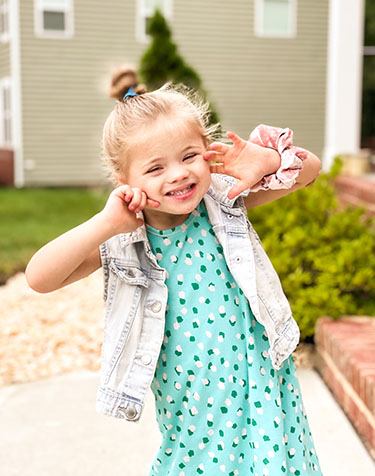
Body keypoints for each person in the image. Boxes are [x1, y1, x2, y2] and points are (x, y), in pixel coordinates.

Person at [26, 67, 323, 475]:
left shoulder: (223, 198)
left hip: (264, 376)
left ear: (208, 152)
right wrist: (105, 223)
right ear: (123, 181)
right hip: (195, 399)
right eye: (155, 168)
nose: (179, 174)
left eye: (188, 157)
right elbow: (40, 277)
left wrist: (267, 160)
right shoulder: (122, 236)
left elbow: (310, 171)